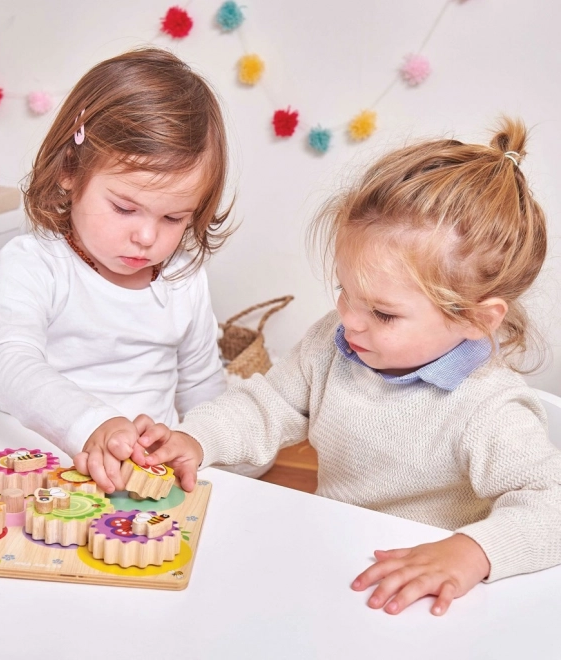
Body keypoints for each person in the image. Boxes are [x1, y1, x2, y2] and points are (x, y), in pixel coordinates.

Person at [133, 118, 561, 615]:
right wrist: (196, 439)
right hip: (334, 559)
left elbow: (552, 506)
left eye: (383, 313)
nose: (349, 320)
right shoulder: (333, 345)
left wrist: (472, 551)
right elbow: (266, 407)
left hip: (426, 599)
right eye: (344, 291)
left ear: (474, 319)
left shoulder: (490, 409)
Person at [0, 47, 268, 494]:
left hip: (136, 485)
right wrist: (90, 423)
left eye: (174, 218)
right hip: (31, 474)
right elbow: (9, 362)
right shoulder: (33, 264)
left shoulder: (182, 278)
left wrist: (206, 445)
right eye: (125, 208)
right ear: (70, 171)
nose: (147, 238)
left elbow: (203, 386)